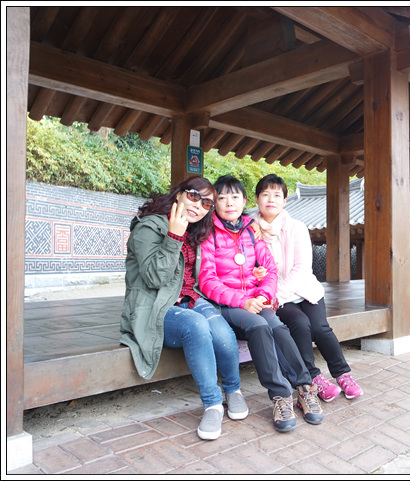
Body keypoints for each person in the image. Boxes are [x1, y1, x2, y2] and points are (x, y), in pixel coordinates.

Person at [119, 175, 248, 441]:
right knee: (196, 324)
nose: (198, 205)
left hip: (190, 299)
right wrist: (174, 236)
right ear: (179, 194)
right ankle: (213, 404)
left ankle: (233, 390)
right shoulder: (149, 227)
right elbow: (154, 279)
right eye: (193, 196)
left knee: (220, 328)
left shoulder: (196, 231)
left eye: (206, 203)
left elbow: (232, 237)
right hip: (154, 306)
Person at [199, 174, 323, 432]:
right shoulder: (208, 233)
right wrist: (243, 301)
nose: (229, 203)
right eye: (222, 198)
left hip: (256, 301)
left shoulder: (251, 230)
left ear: (245, 200)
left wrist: (264, 296)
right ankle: (280, 395)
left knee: (277, 326)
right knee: (259, 325)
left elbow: (270, 269)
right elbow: (207, 280)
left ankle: (304, 387)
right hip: (229, 306)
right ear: (214, 203)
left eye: (235, 197)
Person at [252, 174, 363, 402]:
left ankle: (342, 374)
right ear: (256, 199)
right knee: (300, 324)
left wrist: (276, 294)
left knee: (320, 328)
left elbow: (302, 268)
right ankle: (313, 377)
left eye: (277, 195)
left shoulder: (296, 227)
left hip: (303, 289)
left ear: (284, 200)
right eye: (265, 194)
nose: (271, 200)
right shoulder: (250, 231)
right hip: (276, 297)